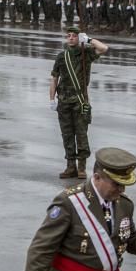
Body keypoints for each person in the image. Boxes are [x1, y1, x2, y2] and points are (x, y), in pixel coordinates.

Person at [49, 26, 109, 179]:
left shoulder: (85, 53)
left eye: (74, 36)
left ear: (78, 38)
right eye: (68, 36)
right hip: (63, 101)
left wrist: (88, 40)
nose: (70, 38)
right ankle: (70, 167)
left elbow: (104, 48)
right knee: (67, 135)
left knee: (81, 134)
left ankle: (81, 167)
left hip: (80, 100)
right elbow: (54, 78)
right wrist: (51, 99)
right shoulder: (61, 56)